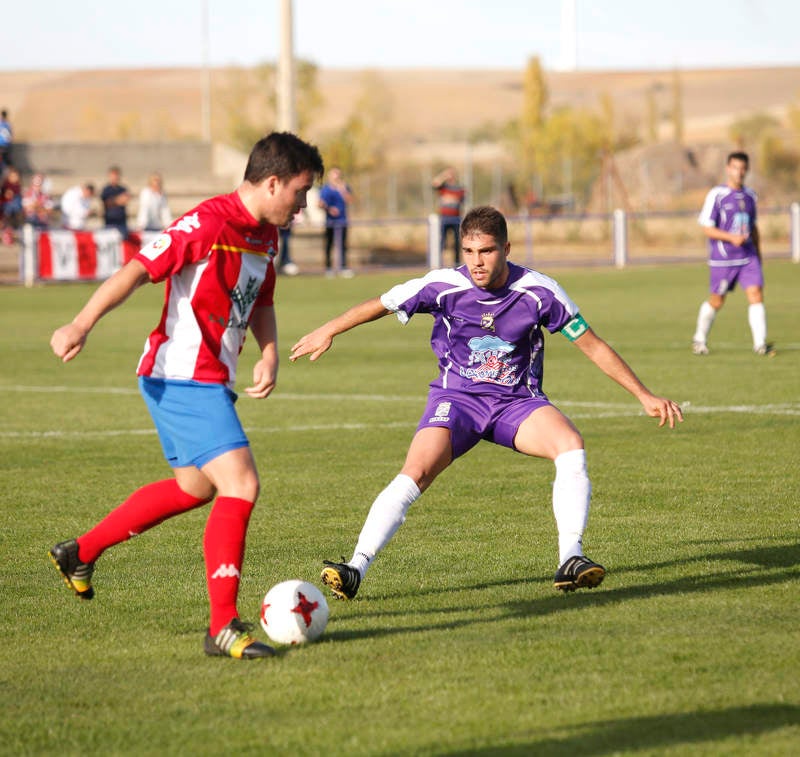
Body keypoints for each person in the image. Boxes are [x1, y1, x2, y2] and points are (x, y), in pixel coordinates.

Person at [290, 205, 683, 601]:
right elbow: (382, 303)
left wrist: (643, 395)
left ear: (507, 248)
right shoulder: (443, 285)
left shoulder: (540, 291)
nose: (477, 262)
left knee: (571, 447)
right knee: (417, 471)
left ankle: (571, 558)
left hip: (516, 403)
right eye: (469, 252)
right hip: (457, 401)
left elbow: (591, 344)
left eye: (488, 251)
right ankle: (356, 567)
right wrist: (329, 329)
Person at [48, 131, 324, 660]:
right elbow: (136, 270)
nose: (305, 204)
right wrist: (81, 323)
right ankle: (223, 626)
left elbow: (262, 300)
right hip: (181, 375)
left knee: (195, 488)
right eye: (301, 191)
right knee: (240, 484)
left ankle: (79, 553)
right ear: (272, 183)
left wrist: (267, 353)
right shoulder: (207, 223)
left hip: (208, 378)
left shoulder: (266, 235)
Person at [692, 151, 773, 356]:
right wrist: (731, 238)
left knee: (756, 294)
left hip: (748, 256)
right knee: (717, 301)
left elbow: (753, 227)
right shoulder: (717, 195)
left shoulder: (750, 195)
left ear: (747, 170)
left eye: (743, 168)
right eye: (735, 167)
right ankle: (699, 339)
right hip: (724, 259)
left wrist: (759, 252)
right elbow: (706, 228)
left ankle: (760, 344)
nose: (739, 172)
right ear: (728, 169)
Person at [318, 167, 353, 277]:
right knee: (329, 245)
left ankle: (343, 267)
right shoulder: (325, 189)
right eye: (334, 175)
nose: (336, 177)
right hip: (330, 222)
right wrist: (329, 209)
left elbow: (350, 200)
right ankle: (328, 268)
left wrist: (342, 190)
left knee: (343, 245)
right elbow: (319, 203)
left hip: (342, 221)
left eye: (338, 175)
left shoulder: (344, 187)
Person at [432, 167, 466, 265]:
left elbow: (461, 202)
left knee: (456, 242)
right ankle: (438, 262)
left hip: (456, 219)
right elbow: (435, 183)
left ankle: (457, 263)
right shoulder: (443, 187)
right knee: (442, 241)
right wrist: (443, 175)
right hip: (444, 219)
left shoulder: (459, 188)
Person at [101, 165, 131, 238]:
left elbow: (125, 200)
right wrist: (118, 200)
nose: (115, 177)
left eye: (116, 175)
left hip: (121, 222)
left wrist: (116, 201)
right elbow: (106, 203)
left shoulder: (123, 189)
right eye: (113, 175)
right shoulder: (106, 189)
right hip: (110, 221)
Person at [0, 166, 23, 244]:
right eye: (13, 176)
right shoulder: (6, 186)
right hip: (6, 206)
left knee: (16, 202)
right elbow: (5, 197)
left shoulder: (17, 187)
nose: (15, 178)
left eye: (16, 176)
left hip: (13, 207)